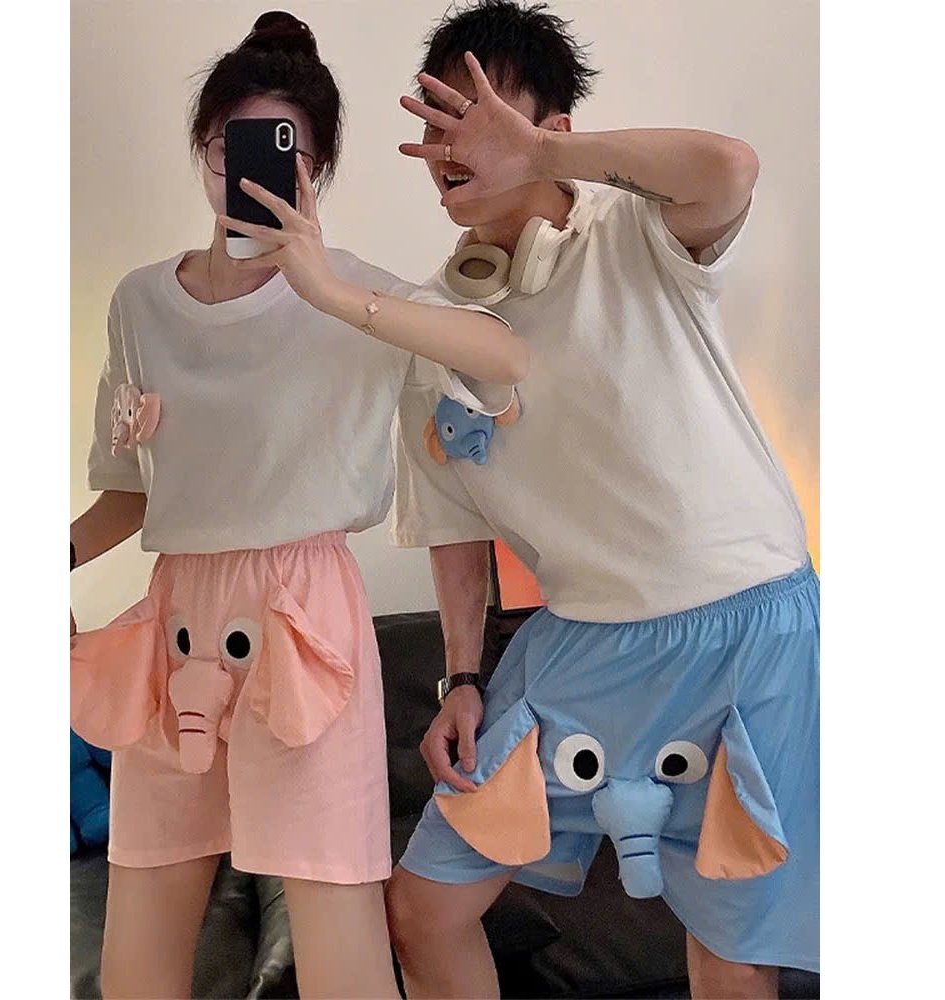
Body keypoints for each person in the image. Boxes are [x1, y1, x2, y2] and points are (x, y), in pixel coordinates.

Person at [69, 11, 528, 999]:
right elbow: (130, 491)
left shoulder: (354, 296)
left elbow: (502, 360)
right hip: (175, 621)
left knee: (339, 942)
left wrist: (324, 287)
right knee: (139, 942)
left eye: (287, 154)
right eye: (229, 146)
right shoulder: (139, 302)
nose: (250, 172)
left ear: (314, 171)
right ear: (204, 149)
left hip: (303, 617)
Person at [384, 2, 819, 998]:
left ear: (553, 130)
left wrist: (541, 157)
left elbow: (730, 169)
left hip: (746, 625)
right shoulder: (432, 317)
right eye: (440, 119)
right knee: (426, 905)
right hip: (582, 644)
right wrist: (461, 679)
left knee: (727, 943)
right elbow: (452, 523)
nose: (453, 145)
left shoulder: (638, 228)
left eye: (482, 118)